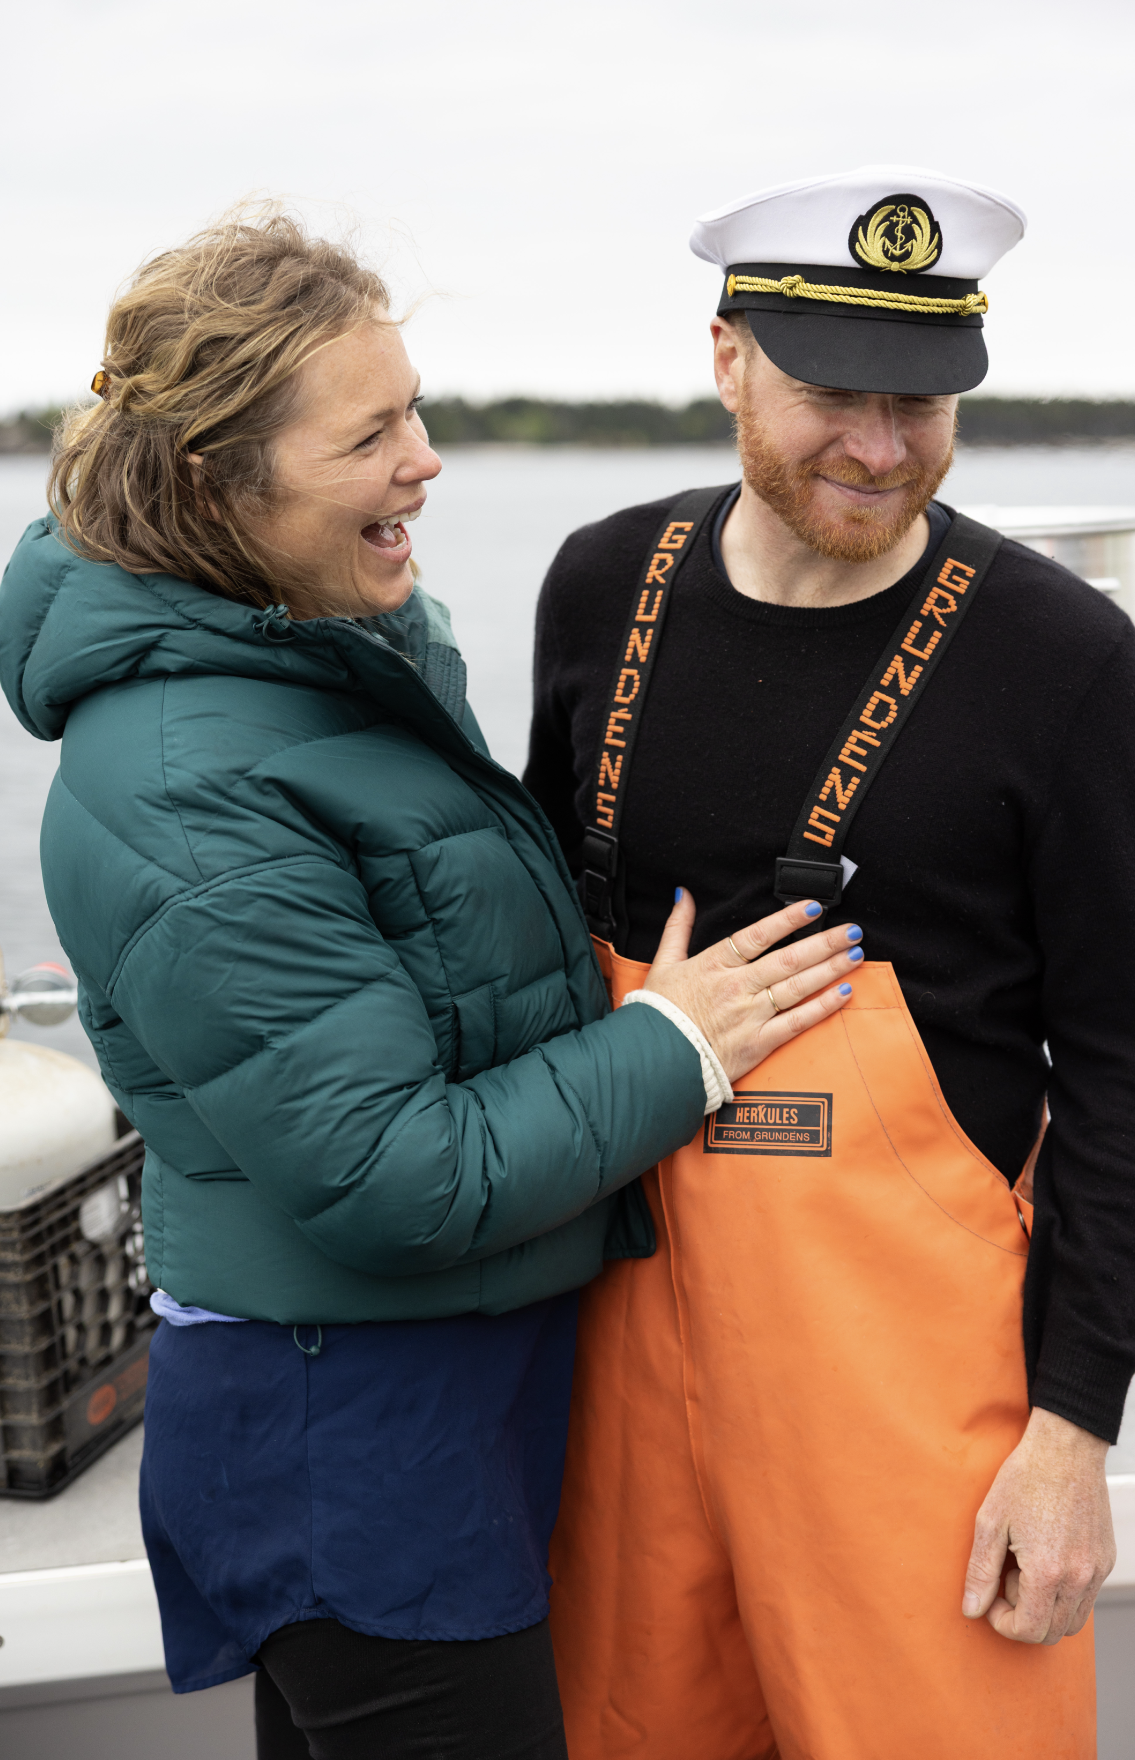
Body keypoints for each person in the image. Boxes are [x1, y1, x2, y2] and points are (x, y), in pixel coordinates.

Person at [0, 212, 864, 1760]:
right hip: (348, 1441)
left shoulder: (321, 657)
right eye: (369, 433)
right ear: (219, 487)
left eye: (415, 407)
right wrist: (677, 1045)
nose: (427, 460)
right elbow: (394, 1174)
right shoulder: (185, 782)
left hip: (438, 1404)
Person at [524, 166, 1135, 1758]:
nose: (882, 449)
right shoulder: (601, 585)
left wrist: (1073, 1431)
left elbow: (1130, 1064)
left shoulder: (1063, 659)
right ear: (730, 357)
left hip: (913, 1414)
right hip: (623, 1371)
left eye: (926, 403)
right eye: (833, 395)